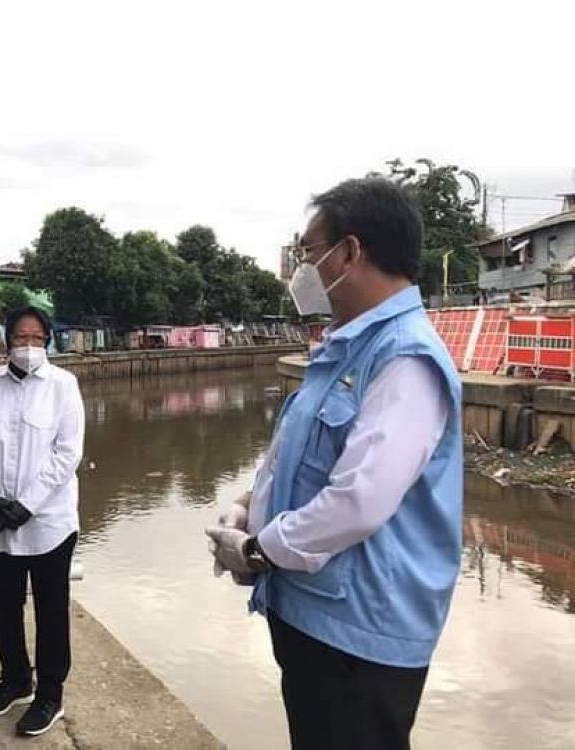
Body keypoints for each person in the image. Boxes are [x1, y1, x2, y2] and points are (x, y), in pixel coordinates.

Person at [206, 178, 462, 750]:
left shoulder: (405, 359)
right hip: (314, 616)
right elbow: (293, 456)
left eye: (309, 254)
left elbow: (360, 500)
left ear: (349, 252)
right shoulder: (345, 349)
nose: (305, 271)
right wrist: (250, 506)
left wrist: (257, 549)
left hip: (358, 638)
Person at [0, 306, 85, 738]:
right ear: (6, 340)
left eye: (36, 338)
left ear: (47, 341)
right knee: (5, 605)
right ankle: (16, 680)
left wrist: (28, 504)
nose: (28, 346)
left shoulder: (64, 386)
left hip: (49, 522)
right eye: (19, 338)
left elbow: (67, 453)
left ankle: (50, 693)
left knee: (52, 610)